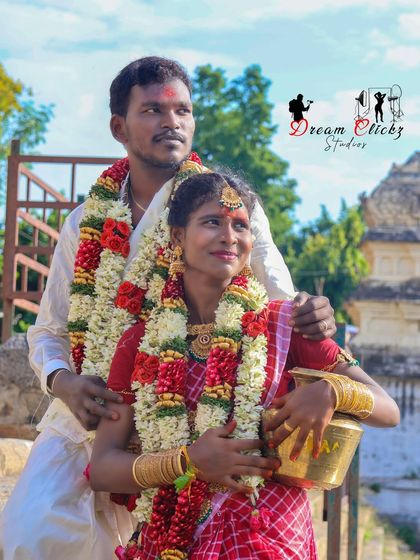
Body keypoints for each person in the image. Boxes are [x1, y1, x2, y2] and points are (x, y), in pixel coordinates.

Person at [1, 57, 335, 559]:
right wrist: (63, 382)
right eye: (153, 110)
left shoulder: (227, 208)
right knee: (27, 537)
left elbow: (284, 304)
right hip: (94, 417)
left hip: (205, 414)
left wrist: (316, 325)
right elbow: (48, 331)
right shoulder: (83, 224)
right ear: (119, 126)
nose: (171, 122)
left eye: (182, 110)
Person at [89, 172, 400, 560]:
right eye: (212, 222)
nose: (230, 236)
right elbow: (102, 468)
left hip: (270, 538)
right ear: (177, 237)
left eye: (241, 225)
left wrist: (333, 391)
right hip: (174, 539)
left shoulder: (286, 325)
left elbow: (388, 409)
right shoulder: (141, 342)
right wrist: (187, 462)